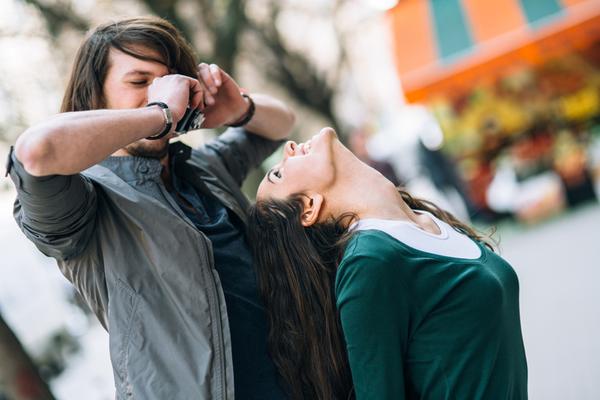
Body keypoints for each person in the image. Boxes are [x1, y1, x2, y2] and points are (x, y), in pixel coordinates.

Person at [7, 16, 295, 399]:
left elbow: (281, 124)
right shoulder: (86, 202)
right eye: (140, 82)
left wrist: (237, 108)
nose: (161, 93)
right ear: (95, 100)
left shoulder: (204, 168)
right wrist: (158, 114)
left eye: (170, 83)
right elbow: (35, 151)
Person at [248, 127, 528, 399]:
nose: (289, 148)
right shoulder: (368, 263)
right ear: (308, 207)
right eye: (278, 174)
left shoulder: (427, 220)